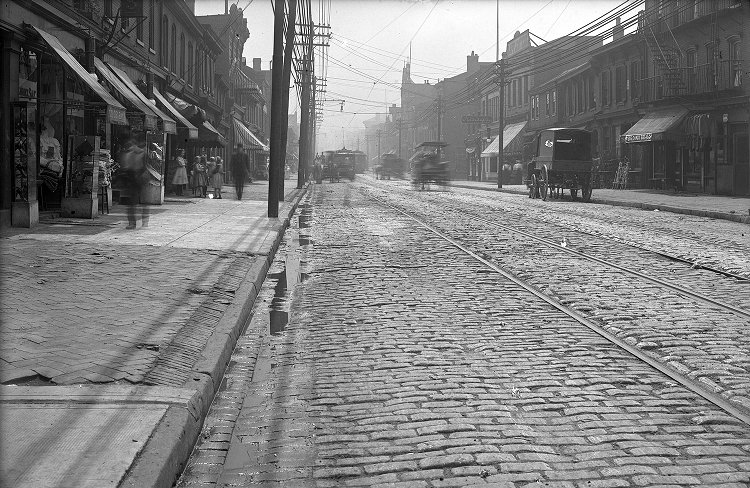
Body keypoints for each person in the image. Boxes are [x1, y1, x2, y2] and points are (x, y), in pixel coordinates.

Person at [118, 138, 149, 229]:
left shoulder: (141, 154)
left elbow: (145, 166)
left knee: (139, 202)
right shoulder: (129, 154)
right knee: (133, 202)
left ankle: (139, 222)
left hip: (138, 178)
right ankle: (135, 222)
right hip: (132, 179)